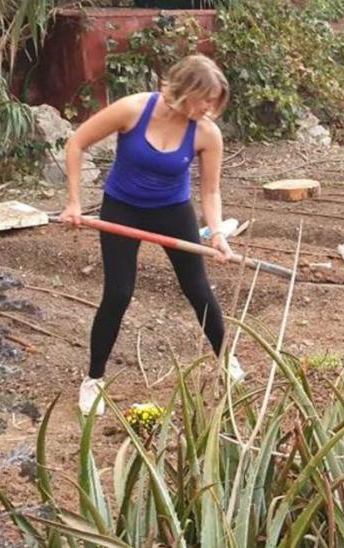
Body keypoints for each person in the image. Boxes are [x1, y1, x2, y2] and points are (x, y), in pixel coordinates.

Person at [60, 55, 240, 415]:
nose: (209, 108)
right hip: (122, 207)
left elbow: (210, 192)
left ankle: (226, 360)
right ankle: (93, 380)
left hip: (173, 211)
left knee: (198, 288)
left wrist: (218, 233)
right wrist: (75, 203)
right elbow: (76, 143)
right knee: (119, 293)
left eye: (214, 102)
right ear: (186, 91)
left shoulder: (206, 132)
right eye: (206, 99)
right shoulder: (133, 109)